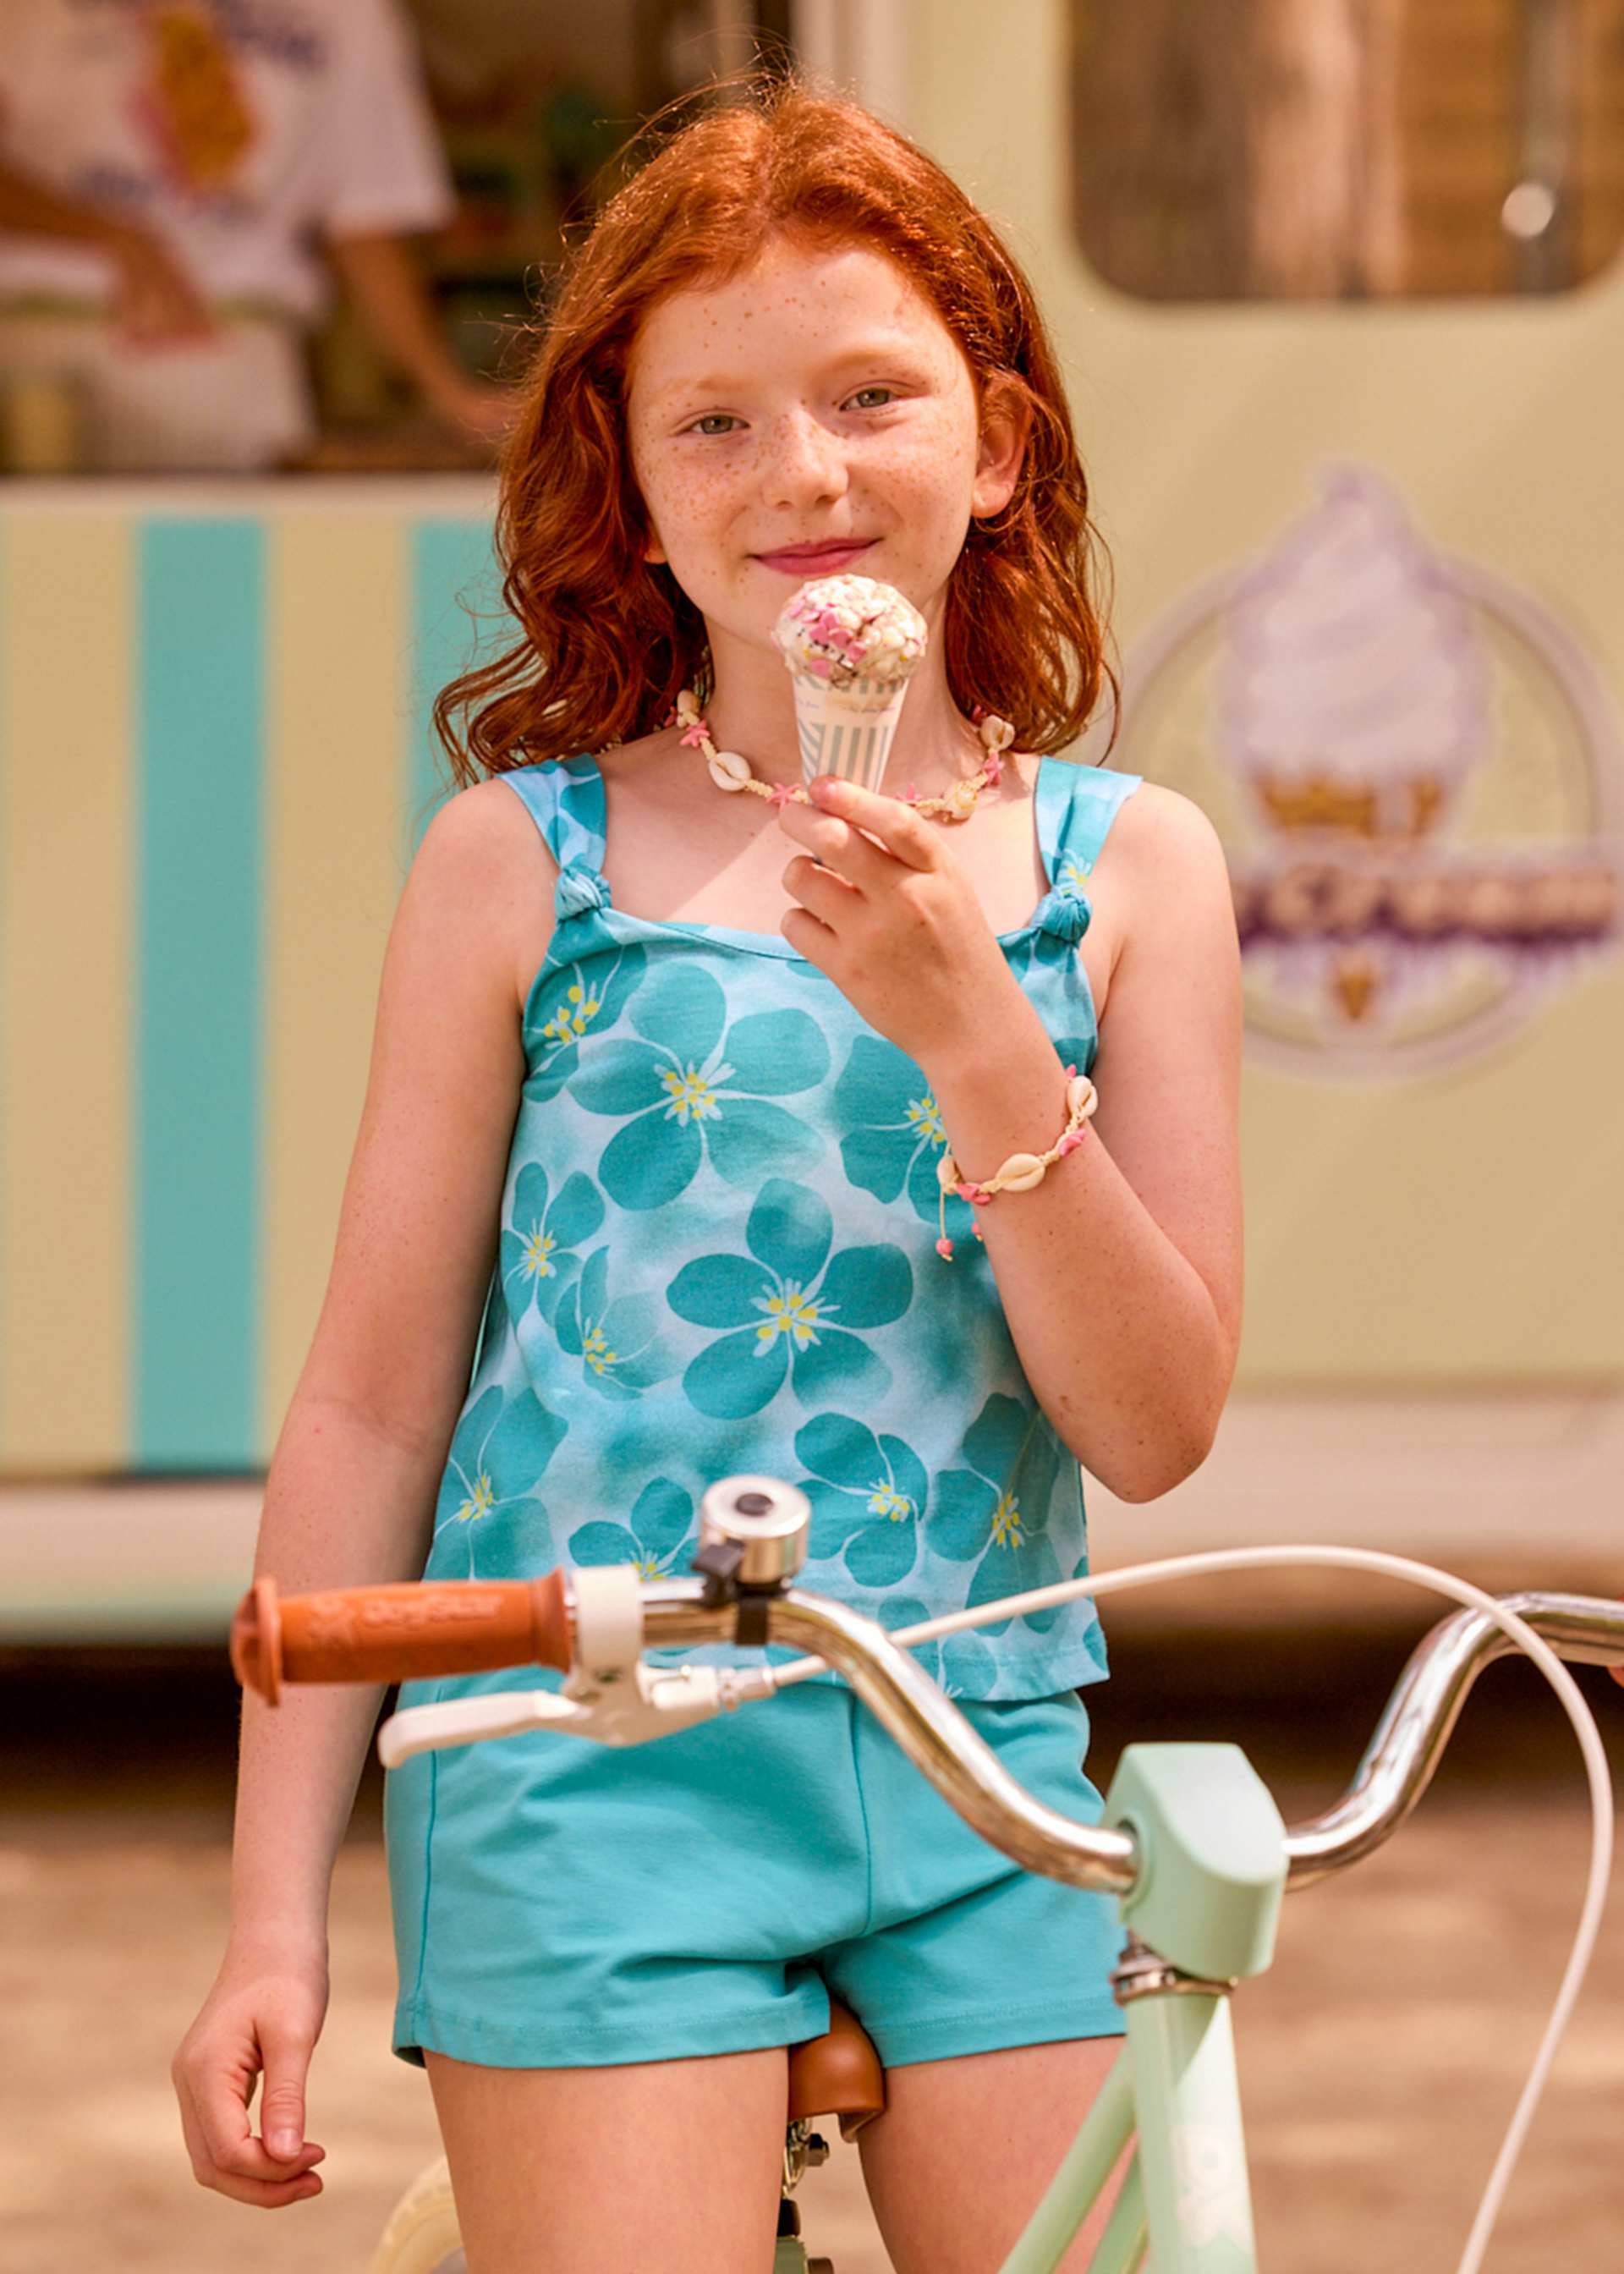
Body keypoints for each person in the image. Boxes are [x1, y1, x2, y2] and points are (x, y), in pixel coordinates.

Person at [170, 74, 1243, 2273]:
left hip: (983, 1753)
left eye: (871, 395)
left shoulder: (1131, 868)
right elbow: (375, 1401)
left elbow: (1152, 1426)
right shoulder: (522, 865)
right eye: (718, 426)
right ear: (635, 498)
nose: (808, 475)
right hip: (582, 1753)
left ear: (1000, 439)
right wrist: (275, 1911)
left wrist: (972, 1033)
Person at [0, 0, 511, 472]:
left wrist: (447, 391)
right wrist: (103, 232)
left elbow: (365, 219)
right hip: (47, 352)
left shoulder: (346, 12)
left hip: (240, 356)